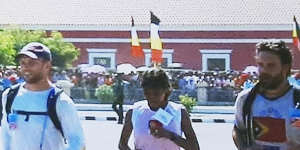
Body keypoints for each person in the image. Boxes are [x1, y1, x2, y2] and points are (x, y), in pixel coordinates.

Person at [0, 42, 85, 150]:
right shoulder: (9, 96)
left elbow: (78, 143)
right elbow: (6, 135)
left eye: (32, 63)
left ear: (47, 66)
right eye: (22, 63)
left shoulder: (61, 101)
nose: (25, 68)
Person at [233, 40, 300, 150]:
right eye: (260, 65)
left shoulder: (298, 100)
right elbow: (238, 129)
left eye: (271, 65)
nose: (264, 70)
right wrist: (243, 147)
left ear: (285, 68)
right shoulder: (245, 100)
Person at [119, 69, 199, 150]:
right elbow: (122, 144)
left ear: (166, 91)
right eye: (147, 93)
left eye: (156, 93)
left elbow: (195, 147)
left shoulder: (178, 112)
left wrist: (169, 135)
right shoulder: (134, 111)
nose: (151, 97)